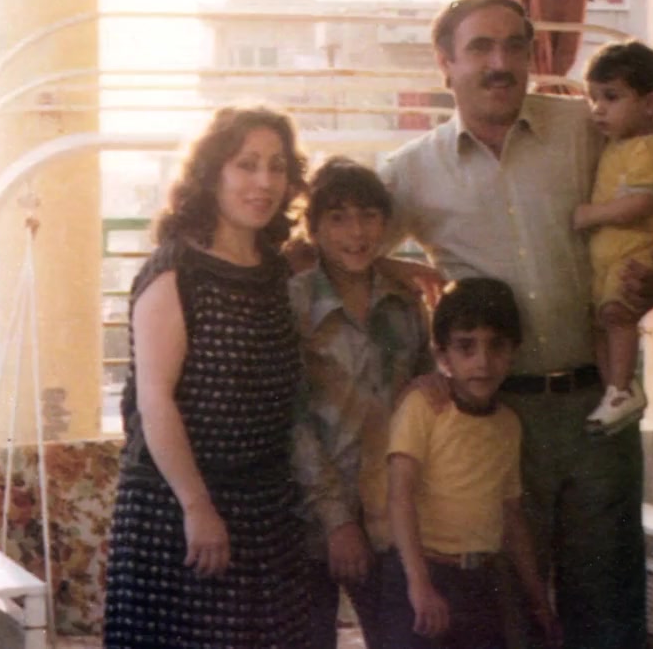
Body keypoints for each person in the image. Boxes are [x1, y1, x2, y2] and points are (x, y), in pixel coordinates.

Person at [378, 0, 653, 649]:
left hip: (596, 406)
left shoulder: (586, 128)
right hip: (493, 423)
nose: (501, 62)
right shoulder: (411, 171)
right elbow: (341, 252)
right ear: (445, 64)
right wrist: (398, 274)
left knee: (608, 611)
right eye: (480, 48)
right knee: (515, 614)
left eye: (514, 46)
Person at [103, 106, 311, 648]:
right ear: (212, 173)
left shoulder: (278, 267)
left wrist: (397, 267)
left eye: (277, 166)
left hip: (265, 512)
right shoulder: (175, 273)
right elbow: (155, 402)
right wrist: (197, 507)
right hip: (178, 513)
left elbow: (348, 258)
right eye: (246, 164)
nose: (264, 182)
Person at [289, 157, 431, 649]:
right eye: (338, 217)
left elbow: (420, 401)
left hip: (390, 516)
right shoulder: (294, 302)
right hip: (307, 520)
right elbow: (291, 421)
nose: (356, 232)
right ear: (314, 229)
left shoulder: (405, 301)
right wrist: (337, 520)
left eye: (368, 215)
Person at [382, 278, 561, 649]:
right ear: (443, 355)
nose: (483, 362)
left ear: (514, 351)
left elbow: (511, 515)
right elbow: (400, 496)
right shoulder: (424, 408)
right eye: (466, 347)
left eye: (496, 346)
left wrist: (538, 597)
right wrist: (419, 584)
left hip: (483, 582)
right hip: (425, 574)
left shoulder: (507, 424)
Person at [572, 41, 653, 435]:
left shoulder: (652, 148)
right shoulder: (618, 143)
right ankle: (616, 391)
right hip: (611, 255)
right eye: (593, 98)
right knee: (600, 322)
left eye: (611, 97)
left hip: (638, 252)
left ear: (651, 102)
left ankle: (620, 389)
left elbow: (641, 204)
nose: (598, 109)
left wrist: (589, 215)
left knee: (617, 315)